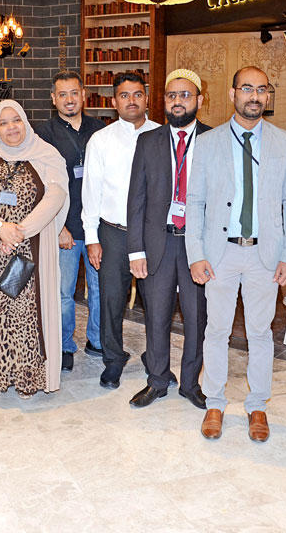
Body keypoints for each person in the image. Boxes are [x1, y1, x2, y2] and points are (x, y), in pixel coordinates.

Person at [186, 66, 286, 442]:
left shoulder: (285, 142)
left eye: (261, 89)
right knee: (216, 330)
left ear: (268, 96)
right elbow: (195, 201)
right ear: (232, 93)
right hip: (220, 253)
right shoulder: (208, 142)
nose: (254, 96)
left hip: (264, 255)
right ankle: (215, 402)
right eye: (247, 88)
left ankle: (257, 405)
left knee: (261, 332)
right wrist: (195, 253)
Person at [0, 99, 68, 401]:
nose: (11, 128)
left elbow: (56, 195)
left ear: (25, 122)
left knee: (26, 314)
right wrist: (0, 227)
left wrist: (19, 231)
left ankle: (27, 376)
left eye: (16, 120)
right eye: (3, 123)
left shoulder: (46, 154)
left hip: (31, 249)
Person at [127, 69, 211, 409]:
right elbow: (136, 199)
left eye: (185, 95)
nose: (178, 101)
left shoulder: (214, 140)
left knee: (196, 318)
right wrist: (136, 250)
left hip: (197, 247)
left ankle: (190, 383)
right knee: (156, 317)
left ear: (200, 100)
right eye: (172, 95)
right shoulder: (148, 141)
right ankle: (158, 380)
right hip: (158, 243)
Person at [81, 72, 159, 389]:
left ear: (146, 98)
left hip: (153, 234)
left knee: (156, 301)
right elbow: (91, 192)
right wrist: (92, 238)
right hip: (113, 232)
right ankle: (113, 359)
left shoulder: (162, 135)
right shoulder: (101, 140)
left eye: (137, 94)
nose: (131, 100)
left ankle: (156, 359)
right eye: (124, 95)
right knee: (111, 300)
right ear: (114, 102)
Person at [36, 71, 105, 372]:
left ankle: (97, 340)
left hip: (96, 228)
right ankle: (64, 344)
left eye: (74, 93)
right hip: (64, 228)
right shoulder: (43, 134)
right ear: (53, 99)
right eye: (62, 94)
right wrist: (57, 224)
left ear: (84, 94)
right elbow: (39, 183)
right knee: (63, 293)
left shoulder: (99, 130)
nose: (69, 99)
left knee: (99, 289)